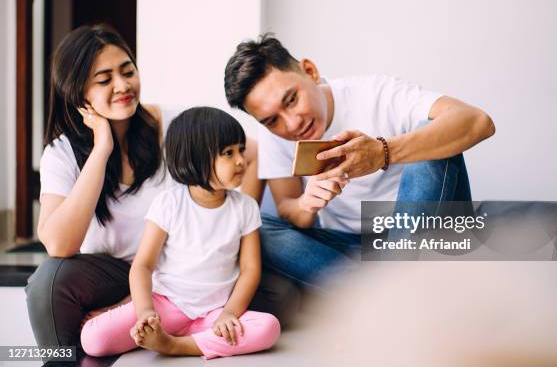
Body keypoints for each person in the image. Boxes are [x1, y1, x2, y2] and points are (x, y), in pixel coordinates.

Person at [25, 25, 296, 363]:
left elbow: (253, 153)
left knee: (282, 296)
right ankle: (67, 357)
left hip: (185, 273)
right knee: (48, 282)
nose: (123, 86)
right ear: (77, 92)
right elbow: (59, 244)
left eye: (128, 71)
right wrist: (102, 148)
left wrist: (237, 219)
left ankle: (166, 332)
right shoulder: (61, 153)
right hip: (113, 274)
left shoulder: (172, 125)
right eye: (104, 79)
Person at [224, 34, 496, 291]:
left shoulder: (376, 94)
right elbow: (287, 206)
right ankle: (391, 292)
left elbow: (477, 121)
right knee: (255, 229)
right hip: (350, 248)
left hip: (422, 232)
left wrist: (382, 152)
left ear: (310, 71)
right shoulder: (274, 135)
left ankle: (384, 292)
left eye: (292, 99)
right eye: (272, 120)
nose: (292, 123)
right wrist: (307, 204)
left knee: (432, 137)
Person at [80, 107, 281, 359]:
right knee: (93, 339)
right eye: (228, 153)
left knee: (268, 328)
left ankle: (174, 345)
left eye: (241, 149)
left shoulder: (245, 207)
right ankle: (172, 334)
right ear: (194, 159)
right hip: (166, 306)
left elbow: (250, 269)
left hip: (214, 314)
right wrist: (145, 312)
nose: (241, 159)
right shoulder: (169, 204)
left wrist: (229, 313)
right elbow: (142, 266)